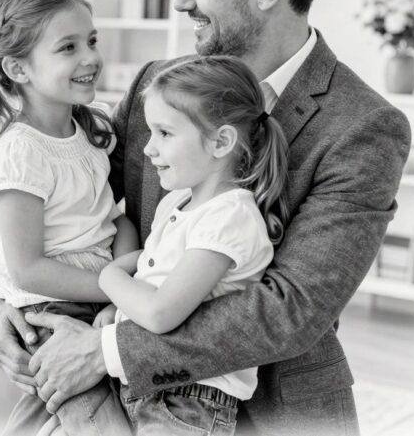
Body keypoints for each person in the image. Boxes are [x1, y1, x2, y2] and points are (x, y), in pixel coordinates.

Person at [0, 0, 411, 436]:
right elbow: (72, 208)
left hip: (271, 412)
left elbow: (291, 308)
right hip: (119, 402)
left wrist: (107, 350)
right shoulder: (157, 86)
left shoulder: (363, 127)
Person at [0, 0, 138, 436]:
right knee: (99, 424)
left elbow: (116, 221)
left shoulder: (93, 129)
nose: (90, 57)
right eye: (68, 47)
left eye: (91, 40)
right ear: (18, 68)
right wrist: (114, 289)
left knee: (56, 416)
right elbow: (27, 268)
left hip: (98, 298)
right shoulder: (21, 152)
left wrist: (125, 281)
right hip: (51, 310)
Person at [91, 56, 288, 435]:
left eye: (164, 133)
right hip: (144, 383)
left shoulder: (230, 216)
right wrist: (120, 306)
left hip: (189, 401)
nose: (148, 149)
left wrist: (109, 277)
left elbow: (160, 313)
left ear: (221, 142)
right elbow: (157, 268)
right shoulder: (176, 202)